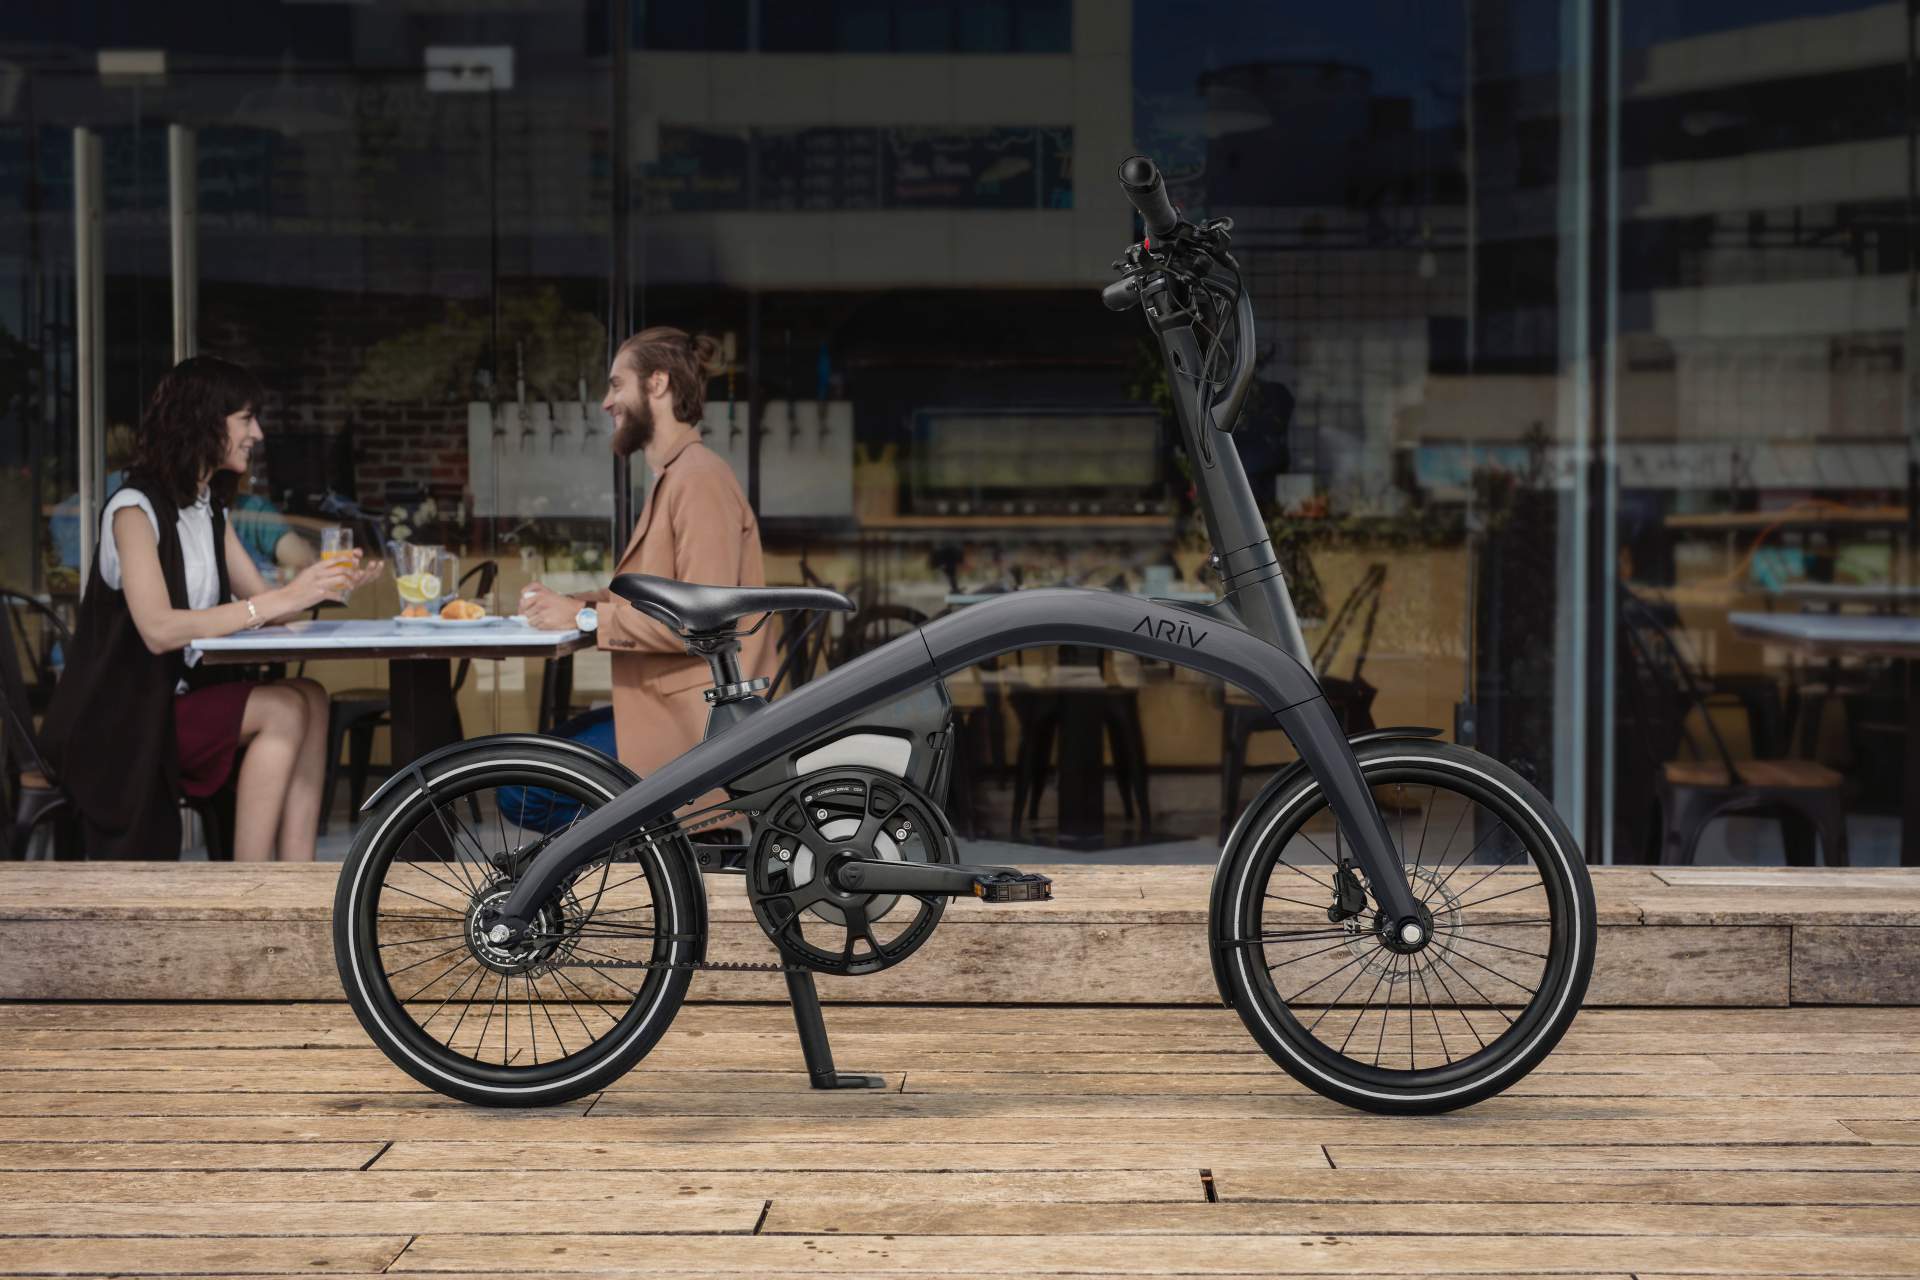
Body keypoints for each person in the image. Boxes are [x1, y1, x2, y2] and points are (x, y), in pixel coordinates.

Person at [41, 357, 381, 859]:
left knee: (311, 695)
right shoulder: (134, 509)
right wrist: (279, 599)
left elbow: (266, 604)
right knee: (284, 708)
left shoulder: (207, 507)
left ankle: (299, 875)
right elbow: (158, 628)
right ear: (203, 422)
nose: (257, 434)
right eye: (246, 419)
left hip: (173, 700)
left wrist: (325, 586)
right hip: (122, 719)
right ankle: (248, 882)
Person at [520, 327, 775, 781]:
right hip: (666, 708)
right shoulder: (678, 476)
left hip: (694, 723)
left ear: (657, 383)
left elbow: (702, 618)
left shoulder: (698, 480)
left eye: (617, 384)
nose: (606, 402)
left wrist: (582, 617)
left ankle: (653, 829)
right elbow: (655, 595)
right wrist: (570, 602)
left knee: (526, 789)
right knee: (537, 762)